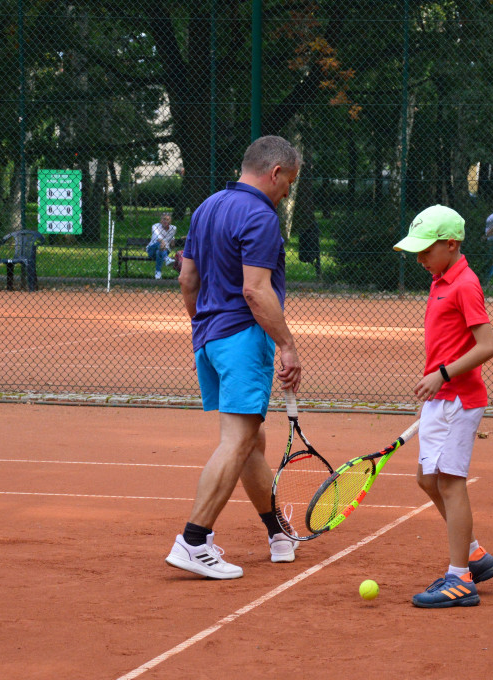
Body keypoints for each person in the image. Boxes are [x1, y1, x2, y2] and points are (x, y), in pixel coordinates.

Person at [166, 136, 303, 580]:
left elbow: (188, 279)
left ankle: (278, 532)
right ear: (275, 173)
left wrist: (201, 336)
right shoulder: (261, 217)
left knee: (250, 444)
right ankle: (193, 540)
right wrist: (286, 346)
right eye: (289, 184)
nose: (287, 195)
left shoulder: (206, 207)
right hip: (243, 337)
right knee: (238, 440)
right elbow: (255, 290)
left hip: (209, 337)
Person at [393, 204, 493, 608]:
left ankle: (460, 579)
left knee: (450, 484)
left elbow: (487, 345)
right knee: (426, 479)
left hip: (459, 398)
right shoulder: (440, 279)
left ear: (451, 244)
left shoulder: (464, 283)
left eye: (425, 250)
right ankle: (473, 553)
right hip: (441, 398)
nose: (419, 259)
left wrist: (442, 374)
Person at [147, 212, 176, 280]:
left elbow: (172, 238)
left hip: (164, 250)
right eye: (164, 219)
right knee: (159, 244)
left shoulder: (173, 228)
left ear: (170, 221)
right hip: (152, 250)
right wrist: (162, 242)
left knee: (159, 251)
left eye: (167, 219)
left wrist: (172, 243)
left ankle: (158, 273)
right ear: (160, 220)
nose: (165, 221)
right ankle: (166, 258)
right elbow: (157, 236)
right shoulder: (155, 226)